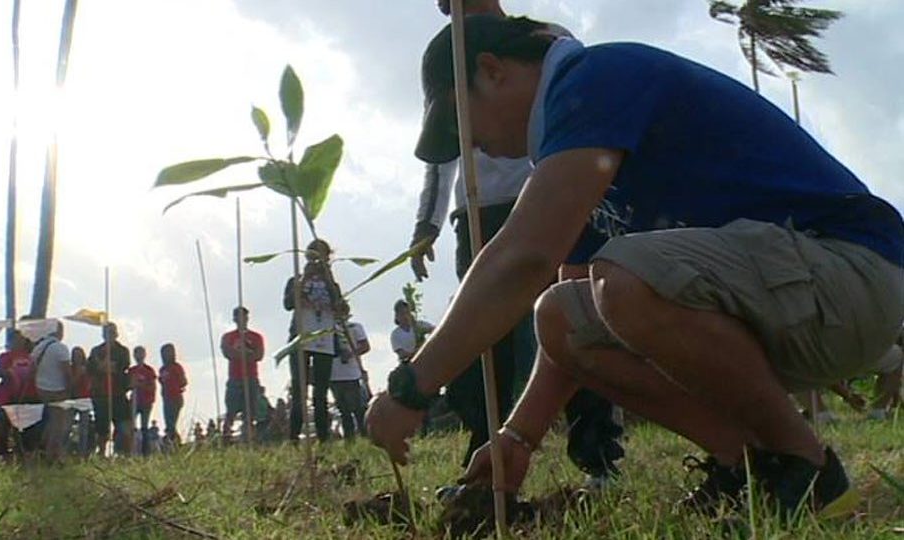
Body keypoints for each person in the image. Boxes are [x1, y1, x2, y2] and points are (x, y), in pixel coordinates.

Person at [368, 15, 904, 520]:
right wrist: (517, 436)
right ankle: (746, 466)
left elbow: (524, 257)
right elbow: (566, 324)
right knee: (561, 311)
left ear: (492, 70)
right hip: (783, 293)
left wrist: (411, 387)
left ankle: (806, 467)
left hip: (850, 272)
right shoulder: (579, 151)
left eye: (462, 122)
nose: (472, 146)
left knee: (624, 276)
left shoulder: (594, 78)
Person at [413, 0, 626, 483]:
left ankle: (598, 458)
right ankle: (484, 458)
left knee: (577, 313)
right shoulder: (447, 55)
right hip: (478, 211)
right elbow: (442, 152)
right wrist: (426, 225)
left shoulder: (543, 41)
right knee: (482, 336)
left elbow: (582, 121)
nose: (450, 9)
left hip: (550, 195)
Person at [284, 239, 346, 442]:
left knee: (321, 393)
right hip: (301, 339)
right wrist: (305, 278)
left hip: (325, 341)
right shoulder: (296, 280)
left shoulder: (332, 285)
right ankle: (293, 437)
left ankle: (323, 438)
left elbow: (342, 309)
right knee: (299, 390)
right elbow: (288, 303)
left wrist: (328, 279)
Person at [220, 306, 264, 440]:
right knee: (231, 411)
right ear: (234, 319)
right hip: (235, 377)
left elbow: (259, 355)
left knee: (250, 412)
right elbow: (228, 353)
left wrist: (240, 354)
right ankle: (226, 437)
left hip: (251, 377)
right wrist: (245, 354)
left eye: (244, 316)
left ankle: (248, 438)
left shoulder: (256, 337)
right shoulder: (228, 337)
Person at [88, 323, 131, 455]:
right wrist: (102, 367)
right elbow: (90, 368)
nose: (110, 335)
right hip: (101, 394)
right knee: (102, 427)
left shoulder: (122, 350)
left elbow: (123, 366)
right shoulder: (96, 351)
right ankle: (101, 452)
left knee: (123, 425)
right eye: (107, 332)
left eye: (112, 332)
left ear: (116, 333)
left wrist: (108, 367)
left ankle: (124, 453)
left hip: (118, 392)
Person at [32, 320, 72, 463]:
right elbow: (66, 371)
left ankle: (45, 449)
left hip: (40, 388)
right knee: (59, 424)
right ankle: (53, 455)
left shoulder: (38, 348)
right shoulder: (60, 348)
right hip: (57, 389)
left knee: (49, 422)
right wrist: (70, 390)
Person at [330, 318, 370, 441]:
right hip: (334, 374)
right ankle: (350, 438)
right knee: (343, 410)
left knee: (358, 408)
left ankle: (365, 436)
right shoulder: (327, 330)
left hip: (351, 373)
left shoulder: (354, 326)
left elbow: (365, 346)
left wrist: (351, 353)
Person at [127, 346, 157, 456]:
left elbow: (152, 386)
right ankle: (130, 451)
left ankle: (146, 452)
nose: (139, 356)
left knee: (144, 427)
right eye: (136, 353)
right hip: (135, 401)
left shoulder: (149, 370)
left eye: (141, 353)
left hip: (146, 401)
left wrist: (142, 385)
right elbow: (128, 385)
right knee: (131, 427)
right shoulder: (132, 370)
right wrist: (132, 384)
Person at [158, 342, 187, 444]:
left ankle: (175, 442)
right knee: (169, 422)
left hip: (175, 397)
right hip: (166, 398)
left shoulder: (176, 367)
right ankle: (172, 442)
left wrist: (177, 386)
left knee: (171, 423)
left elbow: (184, 381)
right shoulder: (162, 369)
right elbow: (161, 381)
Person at [70, 346, 93, 457]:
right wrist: (78, 374)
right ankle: (66, 451)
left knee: (84, 429)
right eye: (75, 355)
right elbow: (71, 384)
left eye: (79, 355)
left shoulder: (88, 368)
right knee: (68, 426)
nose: (77, 357)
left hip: (85, 399)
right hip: (73, 398)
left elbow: (91, 383)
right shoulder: (70, 368)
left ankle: (82, 453)